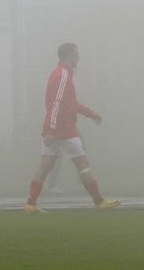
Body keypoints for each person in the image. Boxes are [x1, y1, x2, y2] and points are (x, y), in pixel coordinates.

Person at [23, 43, 119, 213]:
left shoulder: (60, 74)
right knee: (83, 162)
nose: (79, 58)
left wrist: (90, 113)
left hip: (56, 129)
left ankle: (31, 204)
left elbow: (70, 103)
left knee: (44, 167)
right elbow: (56, 103)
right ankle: (99, 201)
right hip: (64, 130)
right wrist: (52, 130)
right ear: (68, 55)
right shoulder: (63, 75)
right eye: (76, 54)